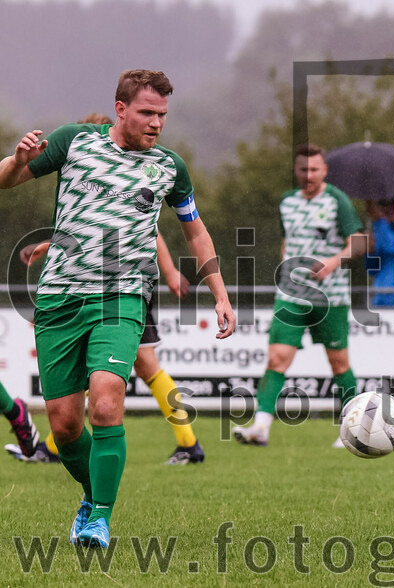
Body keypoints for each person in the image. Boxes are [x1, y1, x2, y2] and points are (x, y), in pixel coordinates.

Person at [0, 69, 236, 548]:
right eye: (147, 112)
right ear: (121, 108)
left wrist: (220, 292)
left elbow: (195, 231)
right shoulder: (73, 141)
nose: (156, 123)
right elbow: (6, 180)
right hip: (59, 299)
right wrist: (17, 160)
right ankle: (92, 497)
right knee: (66, 427)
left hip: (122, 297)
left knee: (107, 401)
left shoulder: (170, 167)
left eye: (163, 115)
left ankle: (100, 519)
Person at [9, 231, 205, 465]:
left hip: (123, 286)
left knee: (118, 366)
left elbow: (151, 229)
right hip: (107, 283)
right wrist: (50, 244)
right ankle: (189, 444)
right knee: (139, 367)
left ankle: (54, 447)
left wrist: (170, 270)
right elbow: (92, 228)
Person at [233, 144, 366, 447]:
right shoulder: (287, 202)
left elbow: (359, 242)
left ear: (325, 171)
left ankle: (351, 429)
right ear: (296, 171)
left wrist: (333, 262)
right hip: (291, 295)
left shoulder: (337, 201)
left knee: (339, 364)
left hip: (330, 297)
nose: (309, 175)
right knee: (277, 358)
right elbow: (287, 240)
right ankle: (261, 427)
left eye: (315, 169)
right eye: (304, 169)